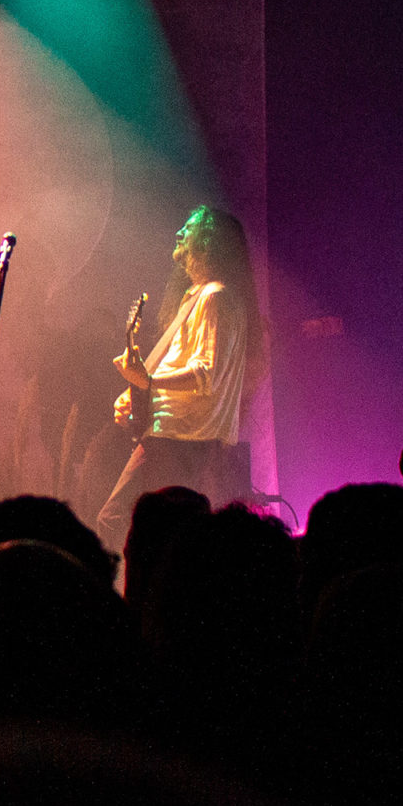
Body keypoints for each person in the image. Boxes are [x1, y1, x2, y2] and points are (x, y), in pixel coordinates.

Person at [95, 206, 260, 555]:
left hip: (181, 438)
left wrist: (149, 382)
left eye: (188, 228)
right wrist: (138, 392)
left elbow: (205, 374)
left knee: (120, 522)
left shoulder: (216, 297)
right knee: (156, 535)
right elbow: (180, 368)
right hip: (172, 434)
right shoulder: (199, 296)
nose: (179, 233)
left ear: (208, 241)